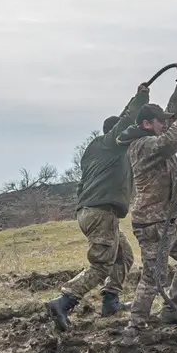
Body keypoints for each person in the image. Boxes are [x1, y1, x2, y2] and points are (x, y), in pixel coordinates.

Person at [44, 79, 154, 330]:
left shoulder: (95, 153)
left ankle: (110, 301)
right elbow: (127, 121)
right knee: (102, 264)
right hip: (100, 213)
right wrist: (141, 98)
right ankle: (64, 301)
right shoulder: (110, 145)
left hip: (92, 212)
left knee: (123, 255)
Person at [122, 72, 177, 325]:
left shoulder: (154, 136)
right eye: (160, 123)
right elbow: (171, 138)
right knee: (154, 275)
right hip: (153, 224)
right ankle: (136, 324)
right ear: (147, 124)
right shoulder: (142, 146)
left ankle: (172, 310)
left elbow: (171, 115)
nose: (165, 125)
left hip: (170, 221)